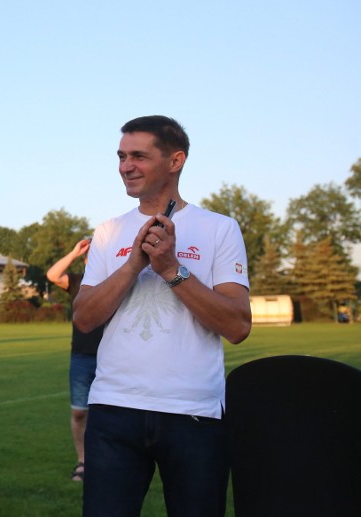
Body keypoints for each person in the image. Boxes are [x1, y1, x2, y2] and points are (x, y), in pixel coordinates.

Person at [73, 116, 252, 516]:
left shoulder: (219, 229)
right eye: (121, 156)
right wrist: (133, 265)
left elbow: (237, 325)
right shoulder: (108, 231)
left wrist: (171, 267)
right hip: (114, 409)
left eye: (138, 155)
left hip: (194, 414)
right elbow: (84, 318)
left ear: (175, 161)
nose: (125, 166)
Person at [45, 238, 103, 482]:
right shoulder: (78, 280)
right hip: (81, 356)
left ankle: (110, 460)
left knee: (112, 413)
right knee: (80, 413)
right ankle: (83, 461)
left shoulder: (115, 279)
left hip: (111, 356)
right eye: (90, 254)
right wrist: (74, 252)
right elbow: (52, 274)